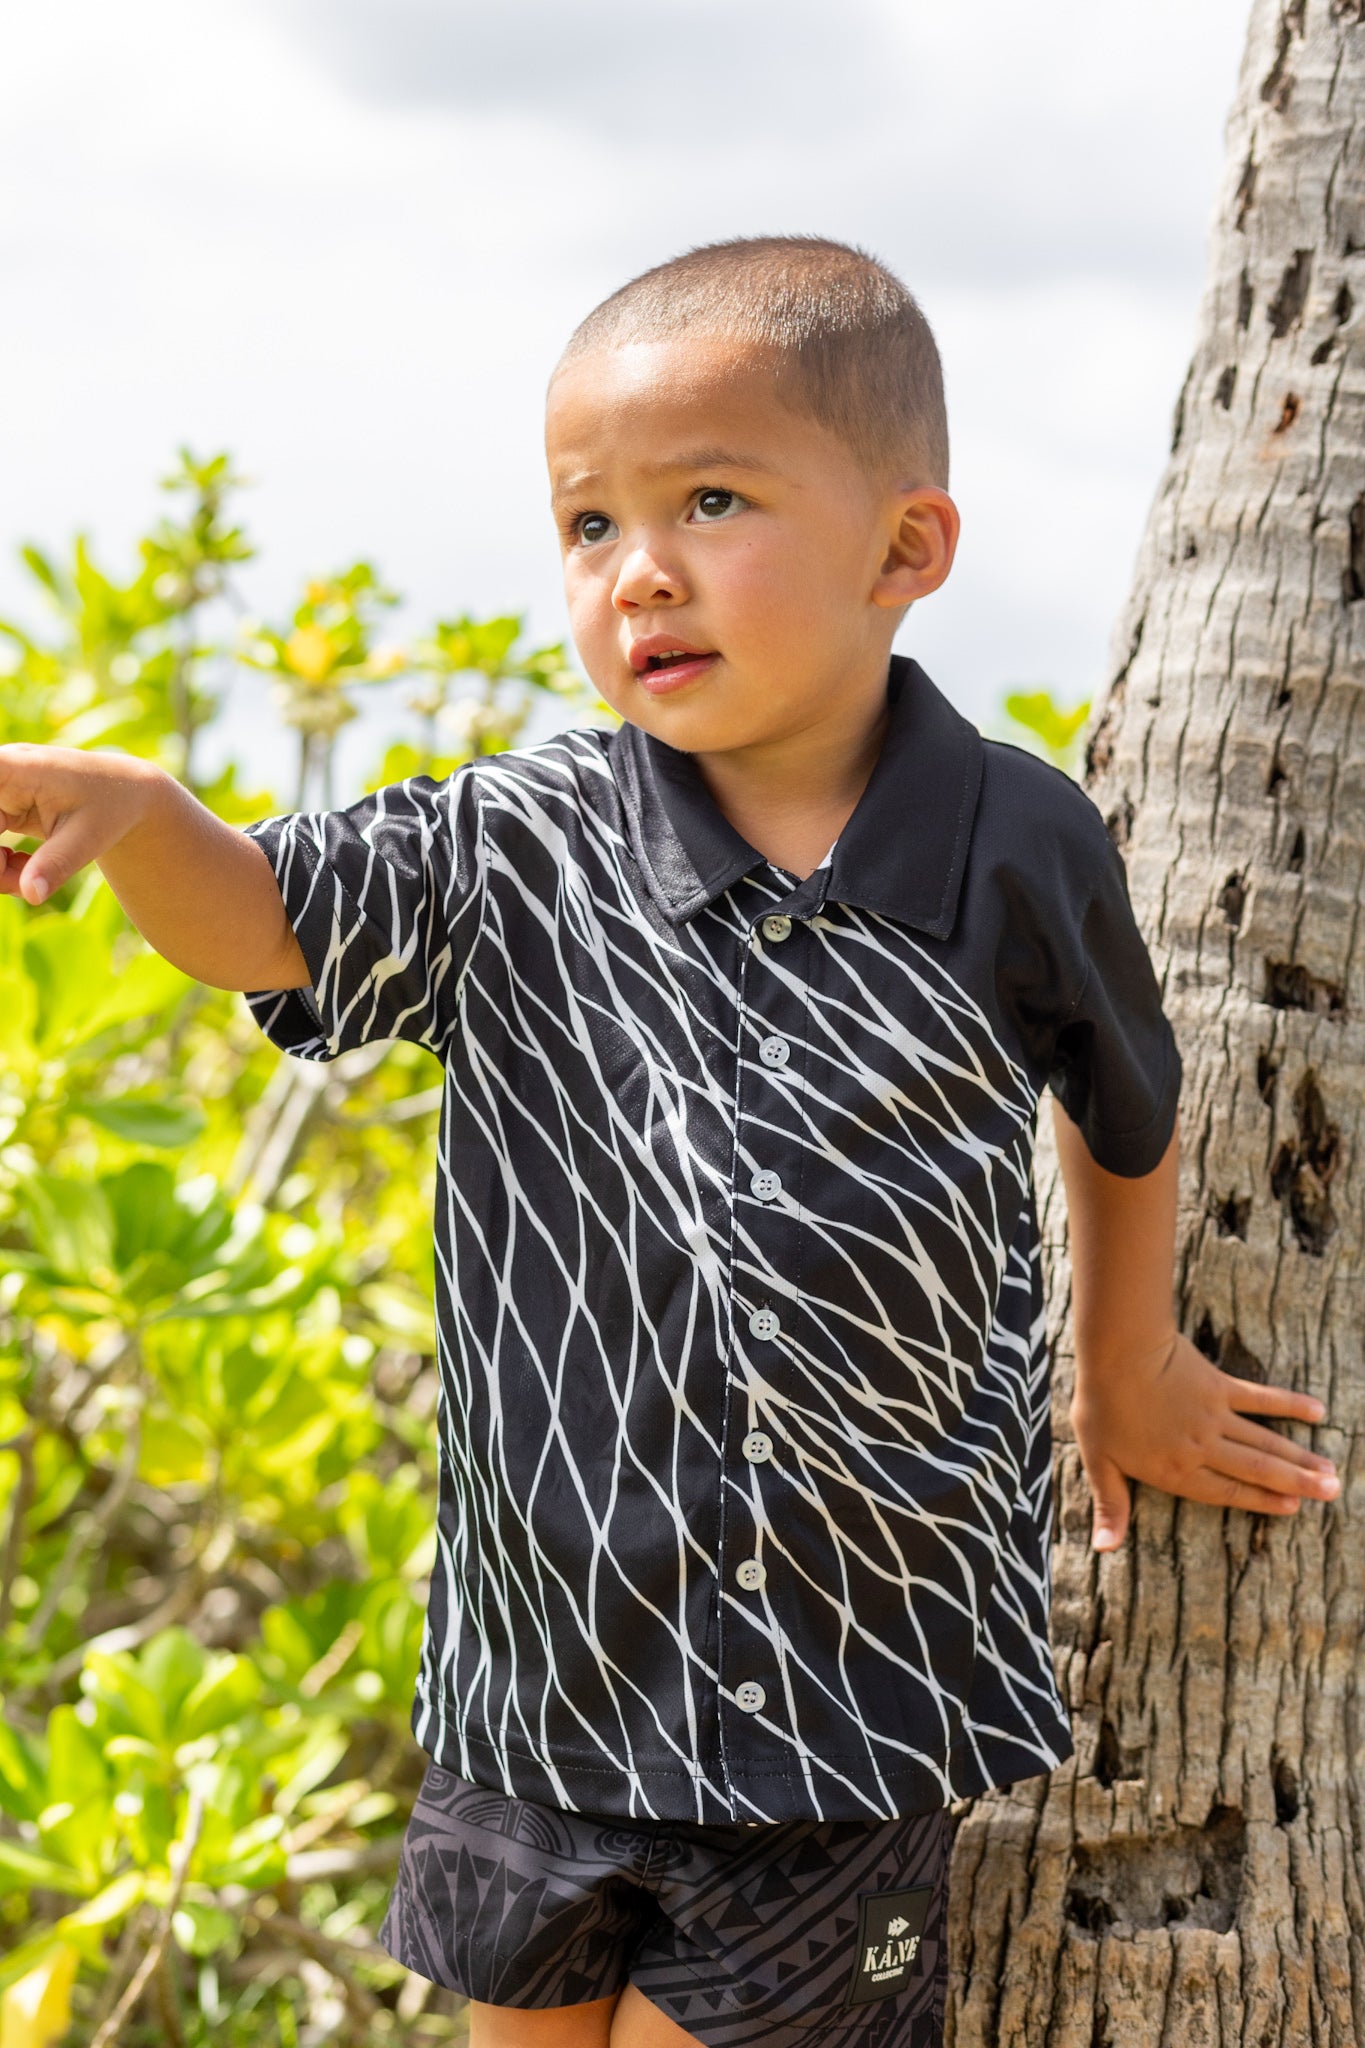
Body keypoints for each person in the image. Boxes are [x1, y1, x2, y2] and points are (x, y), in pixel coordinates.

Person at [0, 237, 1338, 2048]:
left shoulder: (1014, 843)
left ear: (905, 552)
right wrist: (151, 817)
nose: (639, 572)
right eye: (586, 525)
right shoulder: (520, 840)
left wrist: (1116, 1363)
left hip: (848, 1712)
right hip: (539, 1691)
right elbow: (274, 918)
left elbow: (1123, 1107)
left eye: (709, 501)